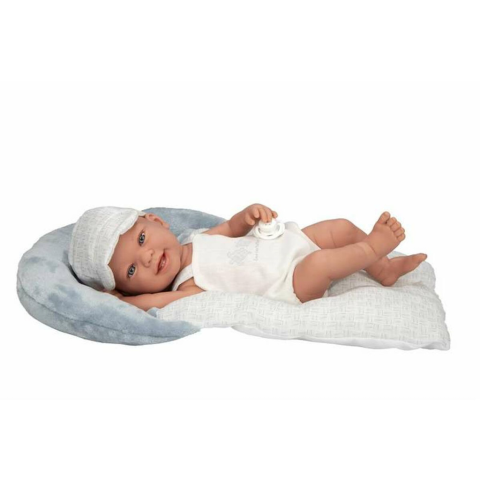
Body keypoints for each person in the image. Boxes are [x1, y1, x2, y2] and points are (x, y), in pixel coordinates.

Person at [68, 204, 427, 311]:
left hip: (289, 242)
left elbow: (231, 228)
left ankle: (383, 269)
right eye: (132, 269)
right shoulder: (188, 286)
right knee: (321, 264)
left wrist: (247, 215)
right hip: (290, 282)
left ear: (157, 221)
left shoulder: (195, 239)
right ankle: (373, 249)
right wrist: (118, 301)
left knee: (340, 227)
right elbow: (153, 303)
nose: (147, 257)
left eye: (142, 239)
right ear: (131, 290)